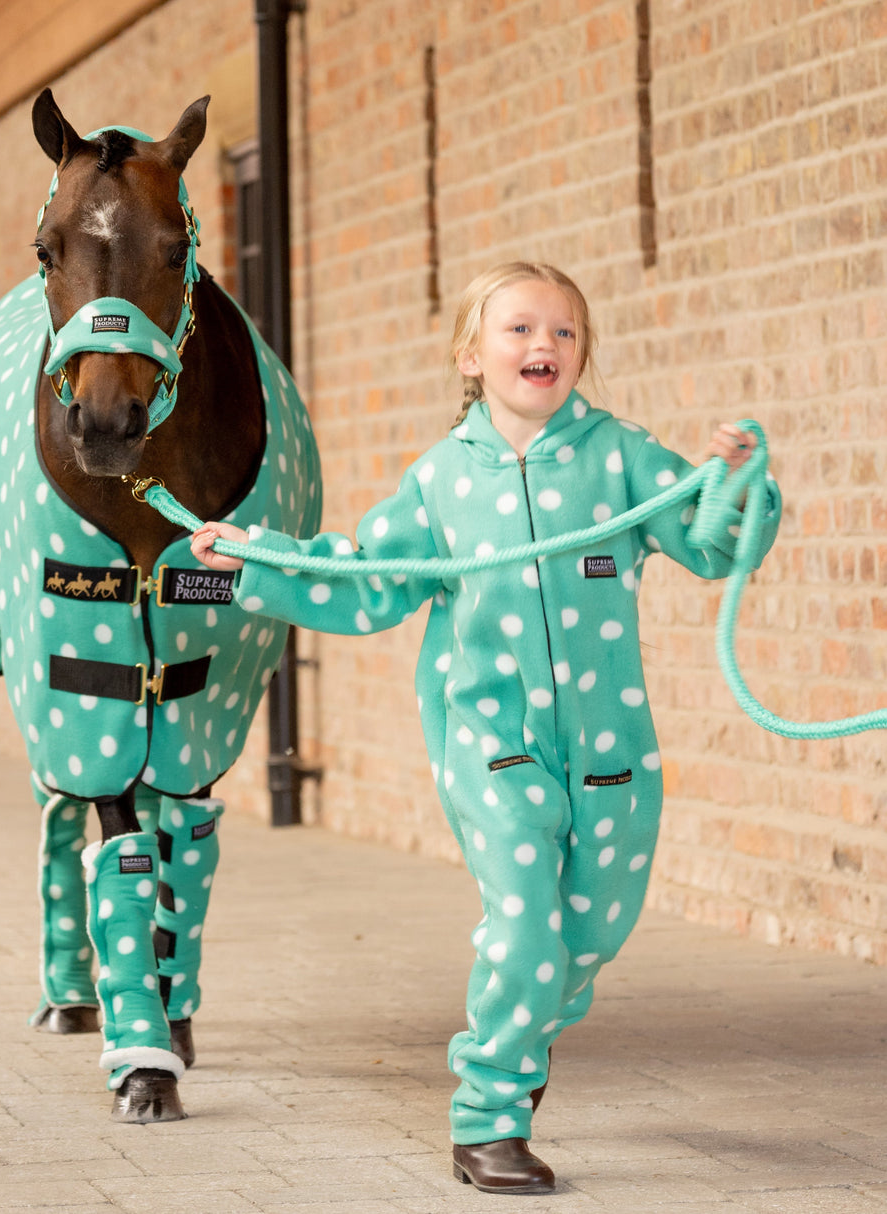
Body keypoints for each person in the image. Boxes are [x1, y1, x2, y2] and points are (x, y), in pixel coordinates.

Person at [190, 261, 781, 1194]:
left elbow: (709, 543)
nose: (543, 345)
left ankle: (527, 1029)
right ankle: (489, 1116)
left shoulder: (622, 458)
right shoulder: (440, 484)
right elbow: (366, 579)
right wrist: (256, 559)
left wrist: (736, 481)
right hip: (491, 739)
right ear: (472, 354)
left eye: (563, 332)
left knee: (591, 934)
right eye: (519, 330)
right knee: (526, 925)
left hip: (612, 749)